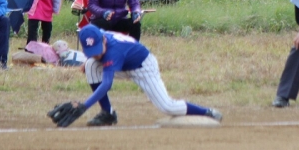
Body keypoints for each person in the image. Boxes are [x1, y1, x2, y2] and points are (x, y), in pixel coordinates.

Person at [48, 24, 222, 127]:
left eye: (97, 50)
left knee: (168, 107)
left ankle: (208, 112)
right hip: (125, 64)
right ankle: (108, 113)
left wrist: (84, 106)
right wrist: (89, 60)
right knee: (92, 65)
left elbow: (107, 83)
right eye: (90, 52)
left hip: (143, 67)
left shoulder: (113, 51)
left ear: (103, 40)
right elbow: (97, 55)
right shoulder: (99, 36)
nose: (96, 54)